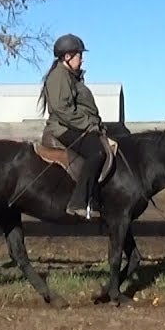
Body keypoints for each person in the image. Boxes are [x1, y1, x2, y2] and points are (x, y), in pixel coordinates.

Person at [38, 33, 106, 218]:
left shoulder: (71, 76)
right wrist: (88, 124)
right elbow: (62, 109)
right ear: (67, 56)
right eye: (79, 55)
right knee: (96, 153)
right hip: (63, 128)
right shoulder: (59, 76)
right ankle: (78, 202)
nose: (82, 60)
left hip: (75, 125)